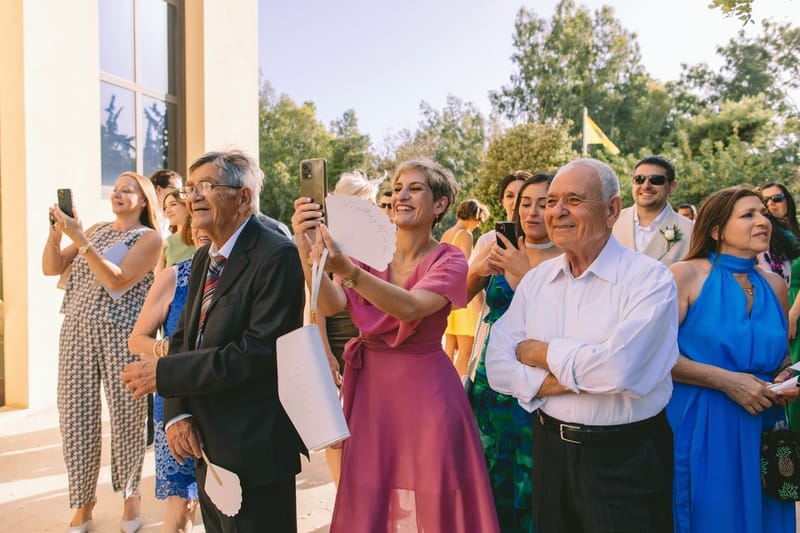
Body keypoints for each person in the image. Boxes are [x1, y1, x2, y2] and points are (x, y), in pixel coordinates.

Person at [291, 158, 500, 532]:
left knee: (434, 493)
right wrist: (307, 251)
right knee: (370, 493)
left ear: (440, 205)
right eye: (397, 188)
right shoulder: (370, 254)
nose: (401, 194)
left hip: (427, 393)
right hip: (371, 390)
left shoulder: (449, 258)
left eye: (415, 188)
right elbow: (330, 303)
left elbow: (411, 308)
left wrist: (350, 272)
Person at [486, 158, 677, 532]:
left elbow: (620, 370)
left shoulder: (650, 281)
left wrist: (538, 352)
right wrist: (589, 367)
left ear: (611, 209)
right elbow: (497, 367)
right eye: (551, 200)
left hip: (625, 456)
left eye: (573, 199)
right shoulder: (538, 280)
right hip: (549, 448)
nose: (556, 211)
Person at [121, 149, 306, 533]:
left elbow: (258, 353)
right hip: (203, 444)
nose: (194, 196)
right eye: (191, 187)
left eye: (208, 185)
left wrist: (166, 374)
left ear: (243, 198)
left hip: (254, 448)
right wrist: (178, 413)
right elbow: (184, 337)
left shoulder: (277, 256)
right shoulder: (205, 256)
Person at [667, 186, 798, 532]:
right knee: (712, 518)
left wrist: (788, 378)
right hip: (704, 421)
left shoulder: (775, 285)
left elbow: (781, 356)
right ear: (716, 230)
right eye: (748, 215)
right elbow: (656, 358)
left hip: (766, 425)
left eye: (764, 214)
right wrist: (728, 381)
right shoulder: (685, 276)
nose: (762, 221)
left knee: (766, 517)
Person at [42, 172, 162, 533]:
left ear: (143, 200)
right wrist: (57, 233)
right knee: (76, 416)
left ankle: (130, 497)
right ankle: (82, 502)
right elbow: (51, 268)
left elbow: (117, 279)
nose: (119, 194)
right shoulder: (93, 229)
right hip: (76, 330)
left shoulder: (150, 238)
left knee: (127, 417)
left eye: (129, 190)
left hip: (121, 334)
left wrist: (79, 240)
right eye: (117, 189)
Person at [467, 173, 559, 532]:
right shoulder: (497, 245)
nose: (532, 212)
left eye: (544, 203)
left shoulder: (565, 255)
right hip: (490, 381)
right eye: (525, 203)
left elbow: (555, 326)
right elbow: (457, 299)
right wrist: (479, 268)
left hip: (536, 380)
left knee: (531, 472)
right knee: (488, 470)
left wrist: (523, 274)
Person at [128, 226, 211, 533]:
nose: (202, 228)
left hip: (222, 398)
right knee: (182, 499)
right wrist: (169, 351)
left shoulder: (243, 275)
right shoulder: (175, 276)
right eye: (196, 221)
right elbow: (137, 339)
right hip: (176, 399)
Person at [321, 169, 386, 487]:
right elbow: (316, 308)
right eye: (361, 203)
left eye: (370, 204)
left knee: (368, 426)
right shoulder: (326, 243)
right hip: (335, 341)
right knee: (336, 433)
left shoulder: (380, 244)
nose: (367, 210)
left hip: (369, 342)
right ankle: (340, 495)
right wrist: (325, 355)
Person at [760, 183, 800, 433]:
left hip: (793, 308)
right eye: (765, 201)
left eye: (776, 197)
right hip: (777, 305)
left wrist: (793, 314)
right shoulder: (765, 235)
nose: (771, 203)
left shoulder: (794, 233)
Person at [612, 155, 693, 265]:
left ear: (672, 186)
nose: (646, 186)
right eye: (639, 179)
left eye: (656, 180)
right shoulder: (611, 223)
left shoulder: (691, 231)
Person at [442, 198, 489, 376]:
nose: (477, 225)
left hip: (448, 294)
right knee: (465, 351)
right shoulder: (465, 235)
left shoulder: (447, 233)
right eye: (479, 220)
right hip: (463, 296)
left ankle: (442, 389)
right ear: (474, 216)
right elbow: (466, 268)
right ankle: (458, 393)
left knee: (449, 350)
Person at [473, 171, 532, 258]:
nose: (516, 202)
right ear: (502, 202)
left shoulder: (545, 242)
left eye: (522, 195)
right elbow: (471, 271)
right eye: (510, 196)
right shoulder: (487, 241)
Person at [155, 190, 195, 273]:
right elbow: (158, 278)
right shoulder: (167, 243)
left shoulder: (203, 236)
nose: (167, 211)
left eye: (173, 204)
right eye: (165, 207)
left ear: (187, 205)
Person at [150, 169, 183, 236]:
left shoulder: (175, 218)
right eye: (176, 189)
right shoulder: (145, 217)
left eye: (181, 190)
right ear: (158, 190)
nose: (179, 194)